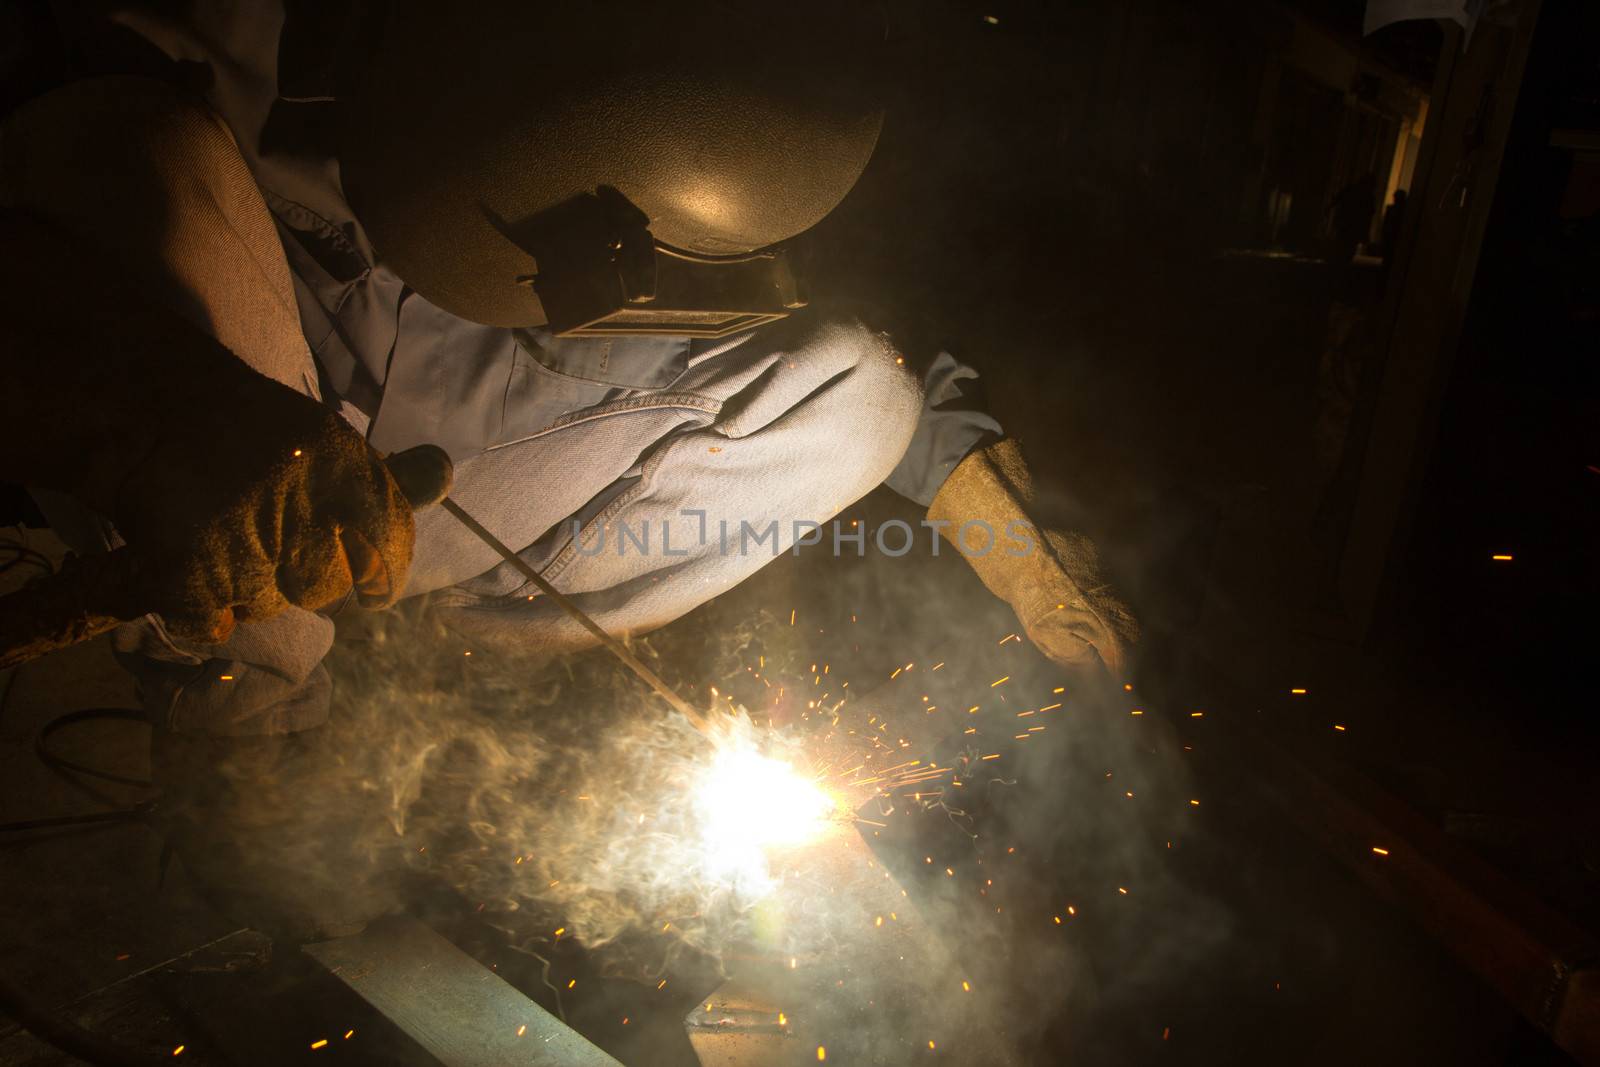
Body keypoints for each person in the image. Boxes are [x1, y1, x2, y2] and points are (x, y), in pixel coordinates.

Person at [0, 3, 1136, 934]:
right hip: (223, 363)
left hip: (455, 353)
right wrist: (150, 405)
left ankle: (460, 663)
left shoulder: (721, 62)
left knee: (862, 389)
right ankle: (262, 692)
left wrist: (1009, 538)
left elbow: (831, 296)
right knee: (137, 146)